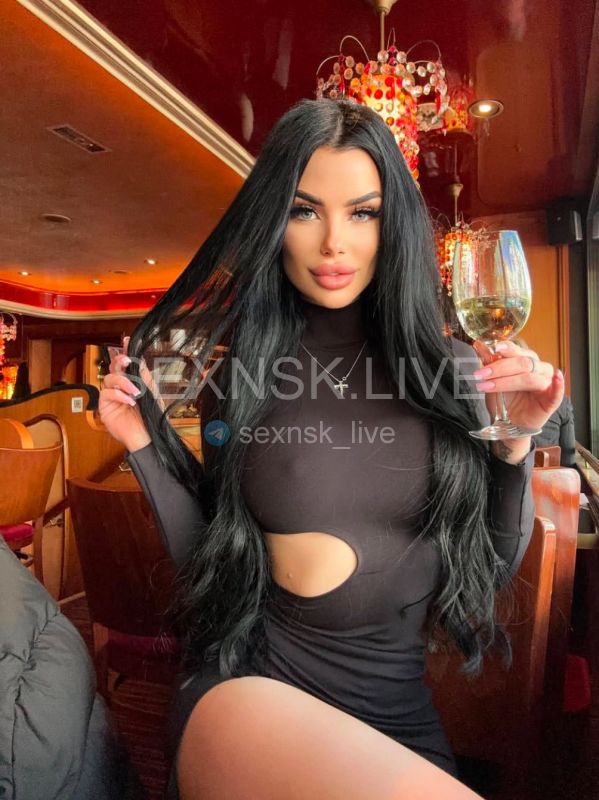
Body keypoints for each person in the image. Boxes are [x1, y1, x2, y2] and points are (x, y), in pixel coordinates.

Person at [99, 99, 564, 800]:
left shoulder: (456, 373)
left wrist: (516, 442)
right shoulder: (240, 379)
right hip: (251, 692)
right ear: (273, 221)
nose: (333, 244)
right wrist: (141, 441)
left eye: (362, 213)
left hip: (396, 719)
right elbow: (214, 560)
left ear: (392, 224)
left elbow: (490, 570)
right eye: (304, 210)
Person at [533, 393, 577, 467]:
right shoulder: (561, 401)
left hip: (515, 472)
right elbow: (568, 458)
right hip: (549, 472)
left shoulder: (512, 398)